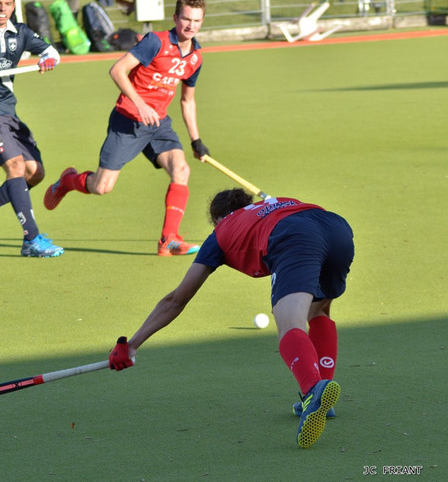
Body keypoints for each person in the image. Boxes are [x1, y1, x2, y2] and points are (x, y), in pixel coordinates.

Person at [109, 188, 355, 449]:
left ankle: (313, 390)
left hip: (294, 235)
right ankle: (322, 394)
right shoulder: (274, 204)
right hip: (335, 227)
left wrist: (133, 344)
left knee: (290, 323)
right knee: (319, 310)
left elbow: (176, 300)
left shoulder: (221, 232)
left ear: (217, 219)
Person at [44, 0, 210, 256]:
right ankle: (68, 181)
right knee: (102, 187)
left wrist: (196, 140)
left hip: (158, 124)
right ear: (176, 18)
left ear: (202, 22)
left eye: (196, 20)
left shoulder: (195, 58)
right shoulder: (156, 42)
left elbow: (187, 100)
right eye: (186, 19)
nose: (190, 25)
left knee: (181, 170)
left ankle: (169, 239)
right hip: (128, 121)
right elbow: (117, 70)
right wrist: (141, 105)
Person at [0, 0, 63, 257]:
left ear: (13, 5)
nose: (1, 8)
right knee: (15, 166)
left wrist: (48, 59)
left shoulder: (20, 32)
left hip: (7, 111)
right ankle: (32, 239)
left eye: (6, 3)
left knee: (34, 172)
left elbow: (51, 52)